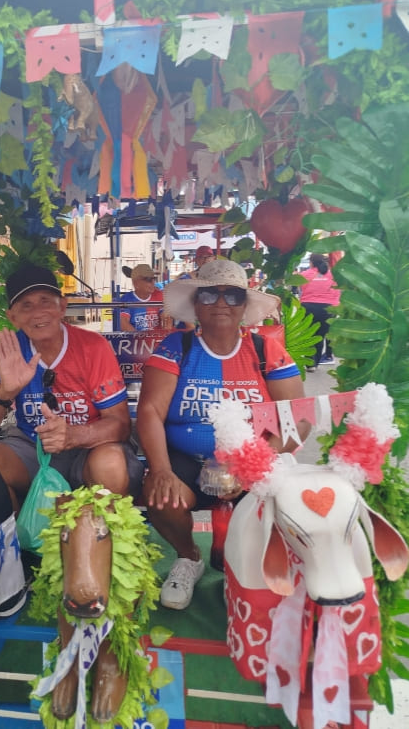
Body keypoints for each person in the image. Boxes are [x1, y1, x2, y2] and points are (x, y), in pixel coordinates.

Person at [136, 260, 309, 610]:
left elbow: (299, 419)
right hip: (187, 461)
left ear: (244, 306)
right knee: (161, 495)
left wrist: (251, 465)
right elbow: (150, 410)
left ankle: (253, 566)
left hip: (253, 460)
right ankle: (189, 558)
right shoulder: (176, 347)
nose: (220, 303)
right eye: (209, 294)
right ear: (196, 303)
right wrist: (161, 470)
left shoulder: (265, 350)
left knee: (286, 500)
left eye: (232, 296)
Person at [0, 264, 144, 513]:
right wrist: (3, 394)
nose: (38, 313)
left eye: (45, 301)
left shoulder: (92, 347)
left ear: (62, 306)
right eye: (26, 305)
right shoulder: (13, 352)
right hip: (32, 447)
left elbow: (120, 425)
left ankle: (99, 535)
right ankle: (18, 536)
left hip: (90, 448)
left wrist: (73, 435)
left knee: (110, 465)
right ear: (13, 317)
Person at [299, 253, 340, 371]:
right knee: (320, 335)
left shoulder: (304, 275)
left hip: (309, 306)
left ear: (311, 262)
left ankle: (310, 363)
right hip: (329, 308)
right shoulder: (334, 275)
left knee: (309, 334)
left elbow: (301, 288)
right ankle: (315, 362)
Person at [119, 263, 165, 331]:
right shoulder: (126, 299)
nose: (153, 283)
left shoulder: (159, 295)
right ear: (136, 283)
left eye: (154, 279)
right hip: (135, 337)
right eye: (149, 280)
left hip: (158, 337)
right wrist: (140, 337)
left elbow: (166, 318)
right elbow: (123, 324)